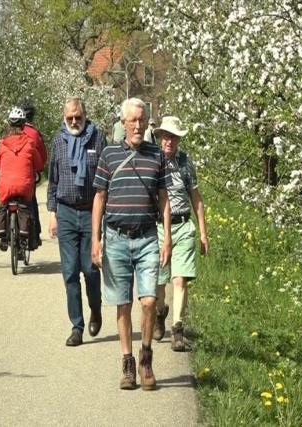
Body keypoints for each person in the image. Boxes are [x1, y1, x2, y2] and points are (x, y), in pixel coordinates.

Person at [91, 97, 172, 391]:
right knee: (122, 305)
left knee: (149, 301)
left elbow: (164, 198)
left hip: (148, 237)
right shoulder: (109, 155)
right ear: (123, 123)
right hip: (115, 238)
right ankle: (127, 362)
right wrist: (95, 240)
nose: (138, 125)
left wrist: (167, 239)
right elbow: (99, 199)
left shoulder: (156, 156)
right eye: (132, 120)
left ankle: (146, 356)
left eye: (142, 120)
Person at [47, 97, 107, 347]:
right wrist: (52, 214)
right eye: (70, 117)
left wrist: (106, 215)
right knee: (70, 273)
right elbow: (52, 180)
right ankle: (77, 327)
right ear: (64, 117)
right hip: (66, 212)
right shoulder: (58, 141)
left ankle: (96, 307)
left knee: (91, 270)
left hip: (91, 212)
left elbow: (106, 180)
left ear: (85, 116)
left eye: (78, 117)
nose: (74, 121)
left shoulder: (98, 138)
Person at [152, 116, 209, 351]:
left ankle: (177, 330)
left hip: (183, 225)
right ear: (160, 137)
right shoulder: (153, 161)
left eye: (174, 137)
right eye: (166, 136)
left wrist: (203, 233)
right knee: (159, 280)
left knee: (180, 278)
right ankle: (159, 313)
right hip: (158, 227)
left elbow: (196, 199)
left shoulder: (186, 163)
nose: (169, 141)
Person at [0, 107, 44, 251]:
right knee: (27, 207)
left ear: (9, 125)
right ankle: (26, 235)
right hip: (24, 187)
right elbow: (39, 164)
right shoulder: (29, 143)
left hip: (5, 186)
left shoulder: (3, 145)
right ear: (23, 126)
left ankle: (3, 235)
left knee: (3, 203)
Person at [20, 100, 47, 247]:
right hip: (29, 176)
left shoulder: (9, 133)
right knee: (31, 202)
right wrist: (40, 168)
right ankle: (34, 235)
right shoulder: (35, 134)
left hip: (8, 179)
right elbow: (42, 156)